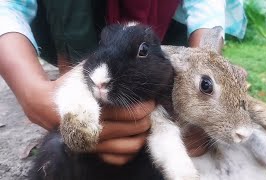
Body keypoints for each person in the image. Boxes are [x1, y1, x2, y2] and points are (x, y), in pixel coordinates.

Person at [0, 0, 247, 166]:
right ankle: (70, 77)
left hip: (166, 24)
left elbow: (206, 6)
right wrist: (33, 92)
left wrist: (204, 77)